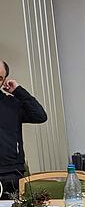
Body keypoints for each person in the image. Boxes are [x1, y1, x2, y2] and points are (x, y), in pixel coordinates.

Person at [0, 60, 47, 199]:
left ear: (4, 81)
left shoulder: (12, 104)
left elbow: (40, 116)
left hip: (10, 173)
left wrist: (18, 91)